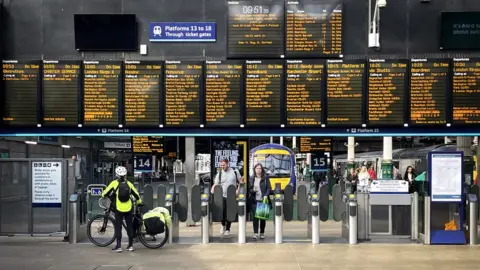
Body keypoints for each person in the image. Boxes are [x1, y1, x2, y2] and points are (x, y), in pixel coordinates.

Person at [102, 166, 142, 252]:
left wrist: (103, 195)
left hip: (119, 208)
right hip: (128, 208)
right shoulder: (129, 184)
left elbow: (105, 192)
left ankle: (118, 246)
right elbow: (136, 195)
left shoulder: (114, 183)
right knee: (129, 226)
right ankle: (130, 246)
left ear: (117, 175)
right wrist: (139, 202)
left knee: (118, 226)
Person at [211, 158, 243, 237]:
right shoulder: (220, 174)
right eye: (221, 165)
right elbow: (216, 184)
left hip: (231, 195)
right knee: (222, 212)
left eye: (224, 165)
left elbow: (241, 182)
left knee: (230, 213)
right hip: (222, 195)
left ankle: (228, 229)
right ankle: (223, 225)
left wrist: (238, 190)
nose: (222, 167)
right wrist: (212, 191)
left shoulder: (235, 172)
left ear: (227, 164)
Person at [248, 163, 271, 240]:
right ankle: (255, 233)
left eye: (260, 168)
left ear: (262, 169)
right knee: (255, 218)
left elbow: (269, 188)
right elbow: (249, 188)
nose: (259, 170)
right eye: (257, 168)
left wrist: (266, 195)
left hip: (262, 200)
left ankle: (262, 233)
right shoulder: (252, 178)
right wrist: (252, 190)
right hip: (254, 200)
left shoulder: (265, 178)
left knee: (262, 218)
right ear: (254, 169)